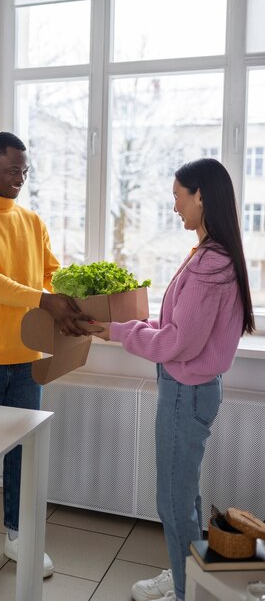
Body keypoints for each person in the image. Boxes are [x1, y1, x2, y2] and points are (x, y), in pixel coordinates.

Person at [90, 158, 255, 601]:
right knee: (187, 495)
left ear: (201, 195)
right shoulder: (212, 254)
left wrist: (117, 330)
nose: (175, 205)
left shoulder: (210, 263)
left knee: (172, 500)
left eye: (179, 195)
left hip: (186, 391)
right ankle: (188, 576)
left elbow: (178, 342)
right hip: (192, 389)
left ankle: (185, 592)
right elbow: (183, 328)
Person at [0, 131, 88, 581]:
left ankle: (17, 535)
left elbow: (53, 273)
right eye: (13, 170)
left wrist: (86, 294)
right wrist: (45, 301)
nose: (20, 179)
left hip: (30, 356)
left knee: (23, 452)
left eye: (25, 171)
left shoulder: (31, 221)